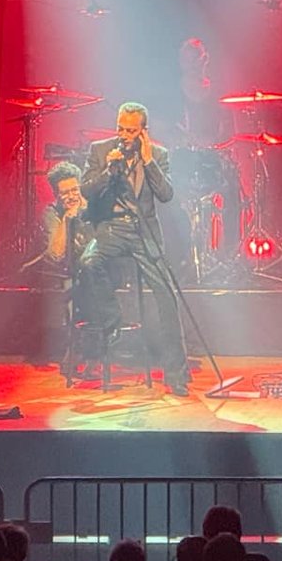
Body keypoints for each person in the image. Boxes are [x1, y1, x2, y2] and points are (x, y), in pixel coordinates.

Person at [74, 102, 187, 394]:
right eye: (120, 128)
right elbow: (85, 191)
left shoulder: (158, 155)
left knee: (167, 295)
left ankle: (176, 373)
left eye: (131, 130)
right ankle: (113, 320)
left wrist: (148, 161)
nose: (124, 135)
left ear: (143, 132)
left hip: (143, 232)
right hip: (111, 228)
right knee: (89, 261)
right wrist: (109, 171)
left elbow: (166, 195)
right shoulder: (100, 151)